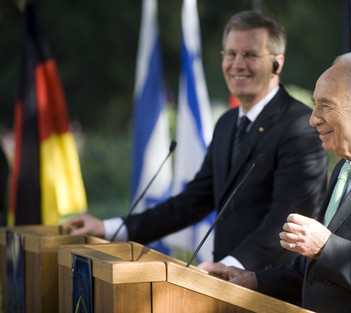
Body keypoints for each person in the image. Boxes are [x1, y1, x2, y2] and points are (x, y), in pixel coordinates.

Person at [65, 11, 327, 272]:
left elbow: (287, 223)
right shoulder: (226, 123)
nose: (237, 64)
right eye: (231, 54)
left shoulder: (299, 127)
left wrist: (228, 266)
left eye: (250, 55)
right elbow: (191, 202)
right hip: (222, 286)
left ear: (277, 64)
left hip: (273, 291)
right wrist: (110, 228)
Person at [206, 52, 351, 312]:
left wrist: (326, 246)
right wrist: (254, 280)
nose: (313, 118)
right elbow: (317, 271)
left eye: (326, 105)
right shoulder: (344, 168)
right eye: (315, 104)